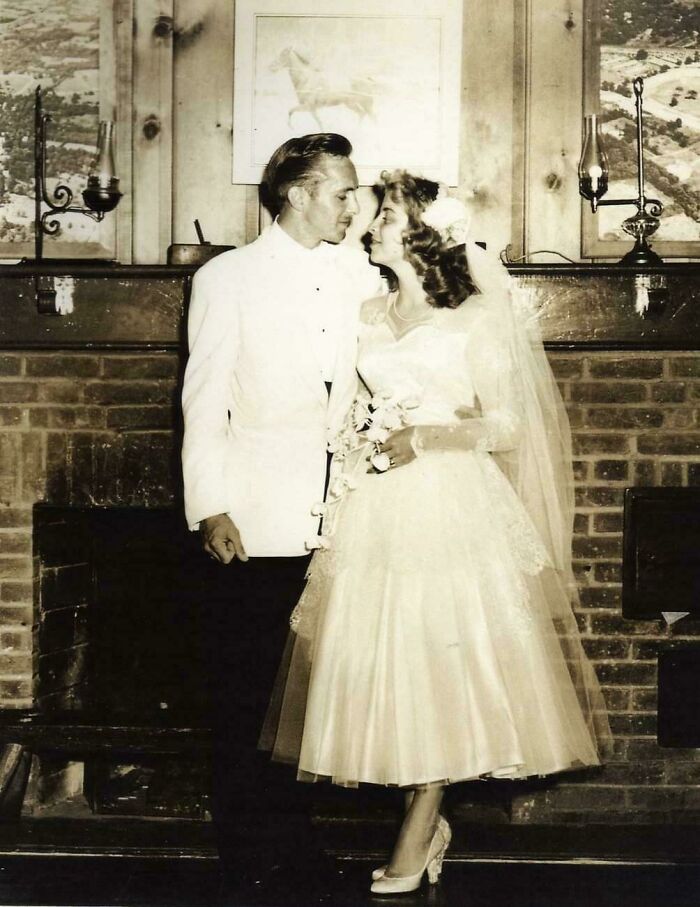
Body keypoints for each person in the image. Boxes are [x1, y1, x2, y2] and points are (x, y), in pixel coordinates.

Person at [260, 171, 612, 895]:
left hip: (450, 506)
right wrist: (355, 445)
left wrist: (425, 439)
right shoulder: (365, 311)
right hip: (377, 511)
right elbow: (346, 409)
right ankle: (427, 813)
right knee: (392, 665)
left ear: (423, 231)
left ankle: (421, 822)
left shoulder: (473, 320)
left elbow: (507, 425)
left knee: (447, 666)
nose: (370, 225)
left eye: (385, 214)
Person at [180, 133, 381, 880]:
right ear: (298, 193)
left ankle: (298, 849)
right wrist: (211, 506)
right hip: (255, 517)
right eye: (341, 192)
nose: (352, 208)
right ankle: (248, 859)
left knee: (310, 696)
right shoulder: (228, 278)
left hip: (341, 517)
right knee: (247, 693)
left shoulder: (362, 273)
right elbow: (202, 402)